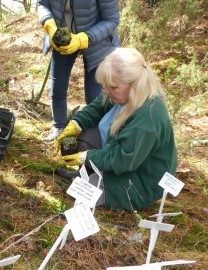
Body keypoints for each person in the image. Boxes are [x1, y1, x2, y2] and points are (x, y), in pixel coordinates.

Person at [55, 48, 178, 211]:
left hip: (139, 182)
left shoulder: (149, 116)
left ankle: (101, 185)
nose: (106, 90)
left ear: (133, 84)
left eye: (112, 87)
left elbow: (123, 158)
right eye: (105, 85)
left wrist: (84, 157)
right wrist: (75, 125)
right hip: (121, 160)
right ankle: (89, 177)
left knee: (77, 195)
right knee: (83, 123)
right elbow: (99, 105)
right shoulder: (125, 93)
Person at [38, 0, 120, 141]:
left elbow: (111, 20)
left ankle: (95, 134)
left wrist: (84, 39)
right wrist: (49, 25)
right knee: (58, 88)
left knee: (94, 96)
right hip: (62, 37)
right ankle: (59, 127)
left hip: (97, 42)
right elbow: (43, 4)